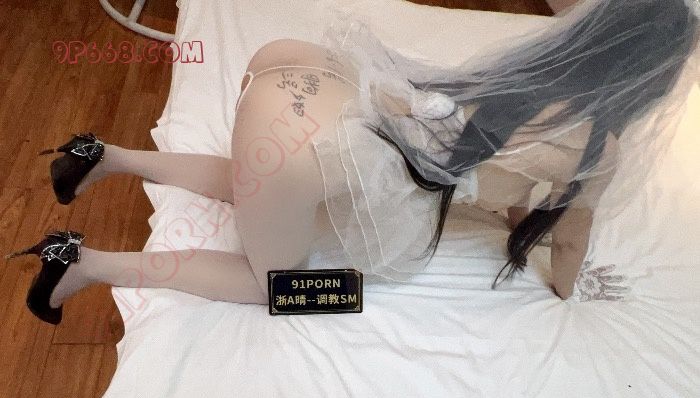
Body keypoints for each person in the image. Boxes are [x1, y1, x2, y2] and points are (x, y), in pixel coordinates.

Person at [5, 0, 699, 324]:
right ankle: (85, 264)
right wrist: (570, 293)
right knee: (273, 281)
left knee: (264, 181)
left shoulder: (519, 73)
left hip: (299, 72)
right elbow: (567, 251)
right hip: (296, 148)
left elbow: (481, 148)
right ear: (648, 83)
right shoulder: (595, 151)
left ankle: (104, 157)